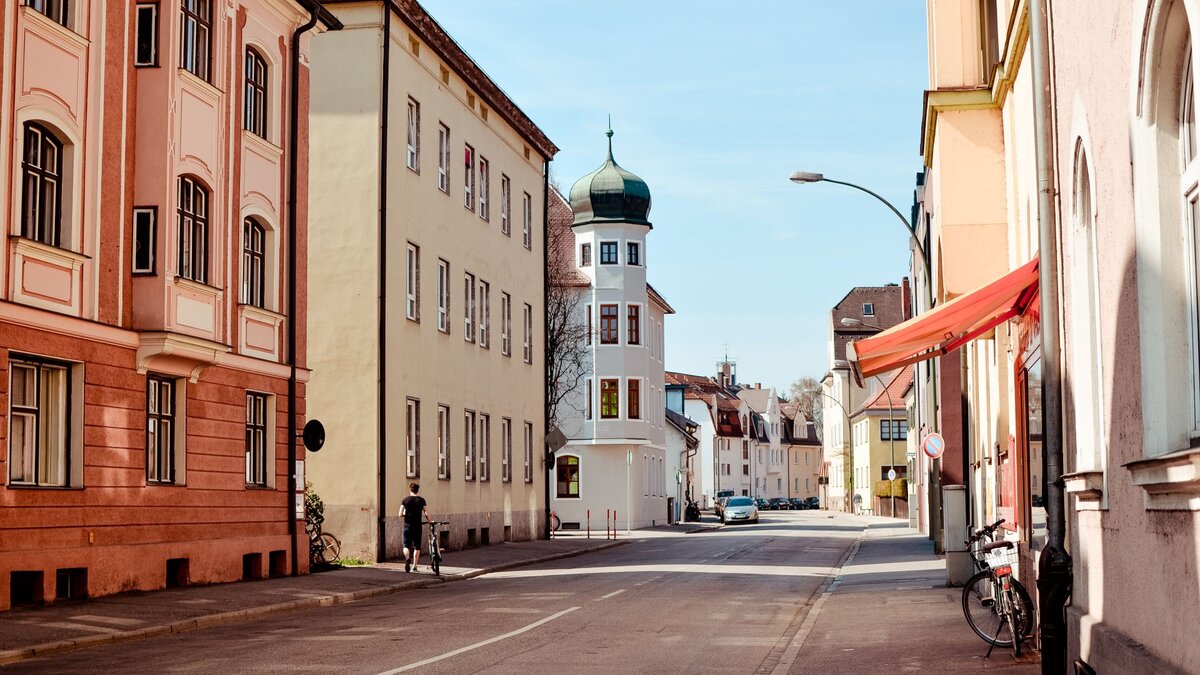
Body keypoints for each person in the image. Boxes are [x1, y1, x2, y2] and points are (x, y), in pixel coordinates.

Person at [399, 482, 430, 572]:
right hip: (417, 526)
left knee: (406, 545)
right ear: (417, 490)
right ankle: (415, 565)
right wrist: (430, 521)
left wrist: (406, 514)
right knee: (417, 546)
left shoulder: (405, 500)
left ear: (410, 489)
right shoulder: (421, 500)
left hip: (407, 526)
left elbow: (400, 514)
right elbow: (426, 513)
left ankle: (407, 559)